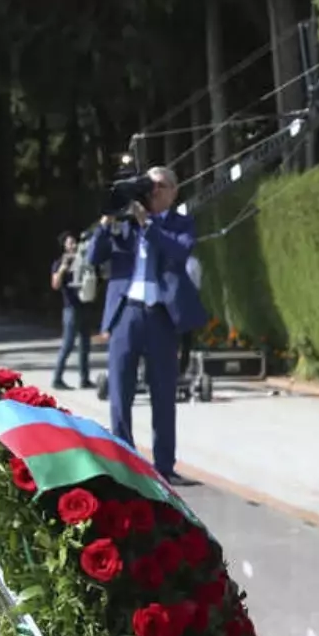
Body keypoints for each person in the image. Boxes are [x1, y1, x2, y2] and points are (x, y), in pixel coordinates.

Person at [87, 166, 208, 484]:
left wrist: (148, 223)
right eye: (148, 186)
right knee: (120, 391)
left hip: (161, 316)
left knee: (164, 393)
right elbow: (94, 257)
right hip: (126, 311)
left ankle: (164, 466)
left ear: (173, 191)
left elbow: (180, 250)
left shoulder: (181, 222)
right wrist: (107, 222)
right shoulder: (123, 222)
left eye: (159, 187)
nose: (152, 192)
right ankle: (124, 462)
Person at [49, 231, 93, 390]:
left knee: (85, 346)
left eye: (75, 242)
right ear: (64, 246)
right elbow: (55, 284)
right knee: (67, 345)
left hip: (85, 306)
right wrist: (63, 267)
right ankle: (57, 378)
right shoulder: (59, 262)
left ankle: (84, 378)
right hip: (71, 309)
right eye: (70, 243)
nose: (74, 245)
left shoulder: (84, 260)